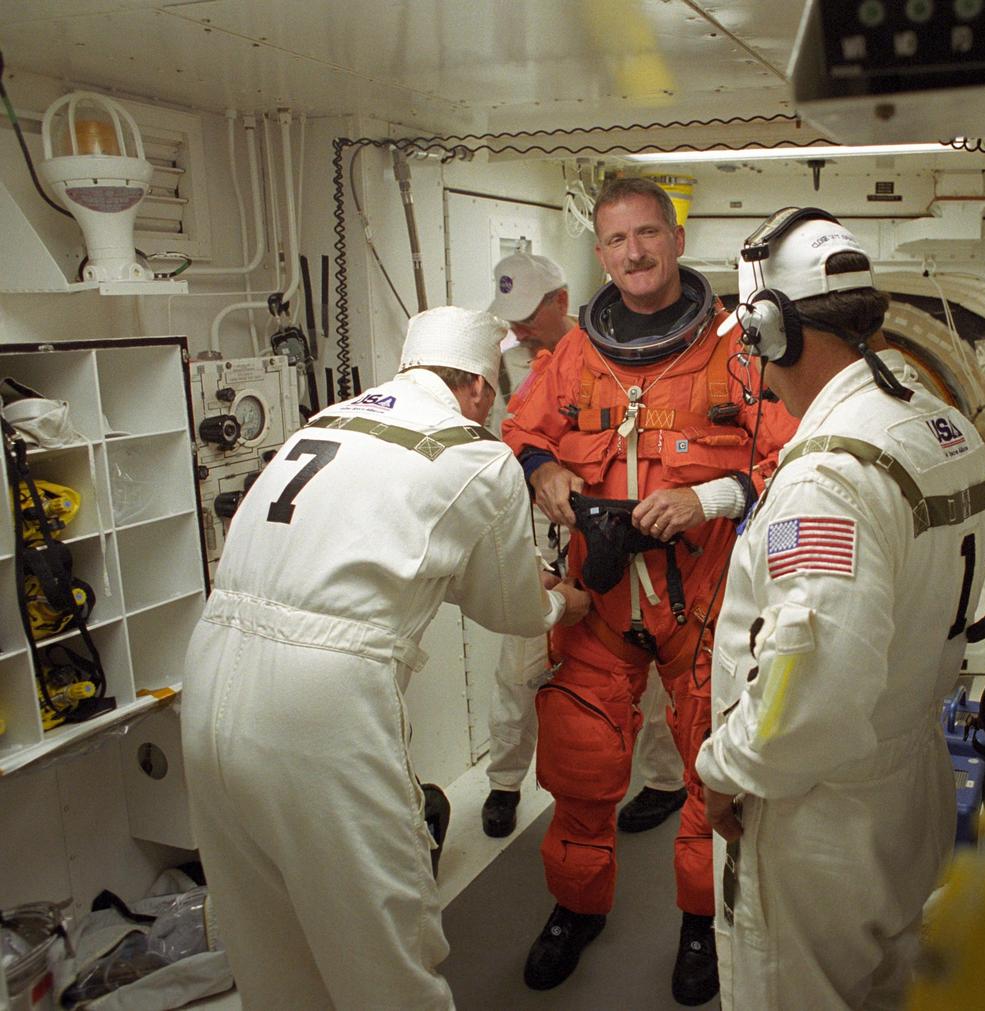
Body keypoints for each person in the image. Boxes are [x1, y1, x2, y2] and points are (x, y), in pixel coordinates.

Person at [181, 306, 591, 1010]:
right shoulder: (473, 450)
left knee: (268, 944)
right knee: (383, 945)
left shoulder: (323, 422)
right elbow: (510, 609)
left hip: (210, 668)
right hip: (319, 700)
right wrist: (560, 603)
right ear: (481, 390)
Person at [695, 208, 985, 1009]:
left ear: (771, 329)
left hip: (821, 810)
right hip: (911, 781)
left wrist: (721, 768)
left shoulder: (827, 476)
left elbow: (812, 697)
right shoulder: (939, 424)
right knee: (887, 983)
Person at [503, 177, 796, 1005]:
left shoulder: (736, 348)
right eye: (616, 241)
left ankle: (702, 924)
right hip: (598, 602)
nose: (633, 253)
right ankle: (576, 907)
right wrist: (546, 470)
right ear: (600, 253)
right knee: (580, 769)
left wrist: (711, 497)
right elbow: (521, 431)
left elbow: (786, 452)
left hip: (702, 602)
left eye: (647, 235)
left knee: (712, 773)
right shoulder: (572, 357)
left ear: (673, 238)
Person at [482, 249, 687, 838]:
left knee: (647, 672)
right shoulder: (495, 369)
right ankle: (503, 782)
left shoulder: (607, 357)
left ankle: (663, 782)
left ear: (559, 301)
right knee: (517, 669)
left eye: (527, 313)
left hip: (621, 543)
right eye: (509, 316)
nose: (518, 327)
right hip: (532, 540)